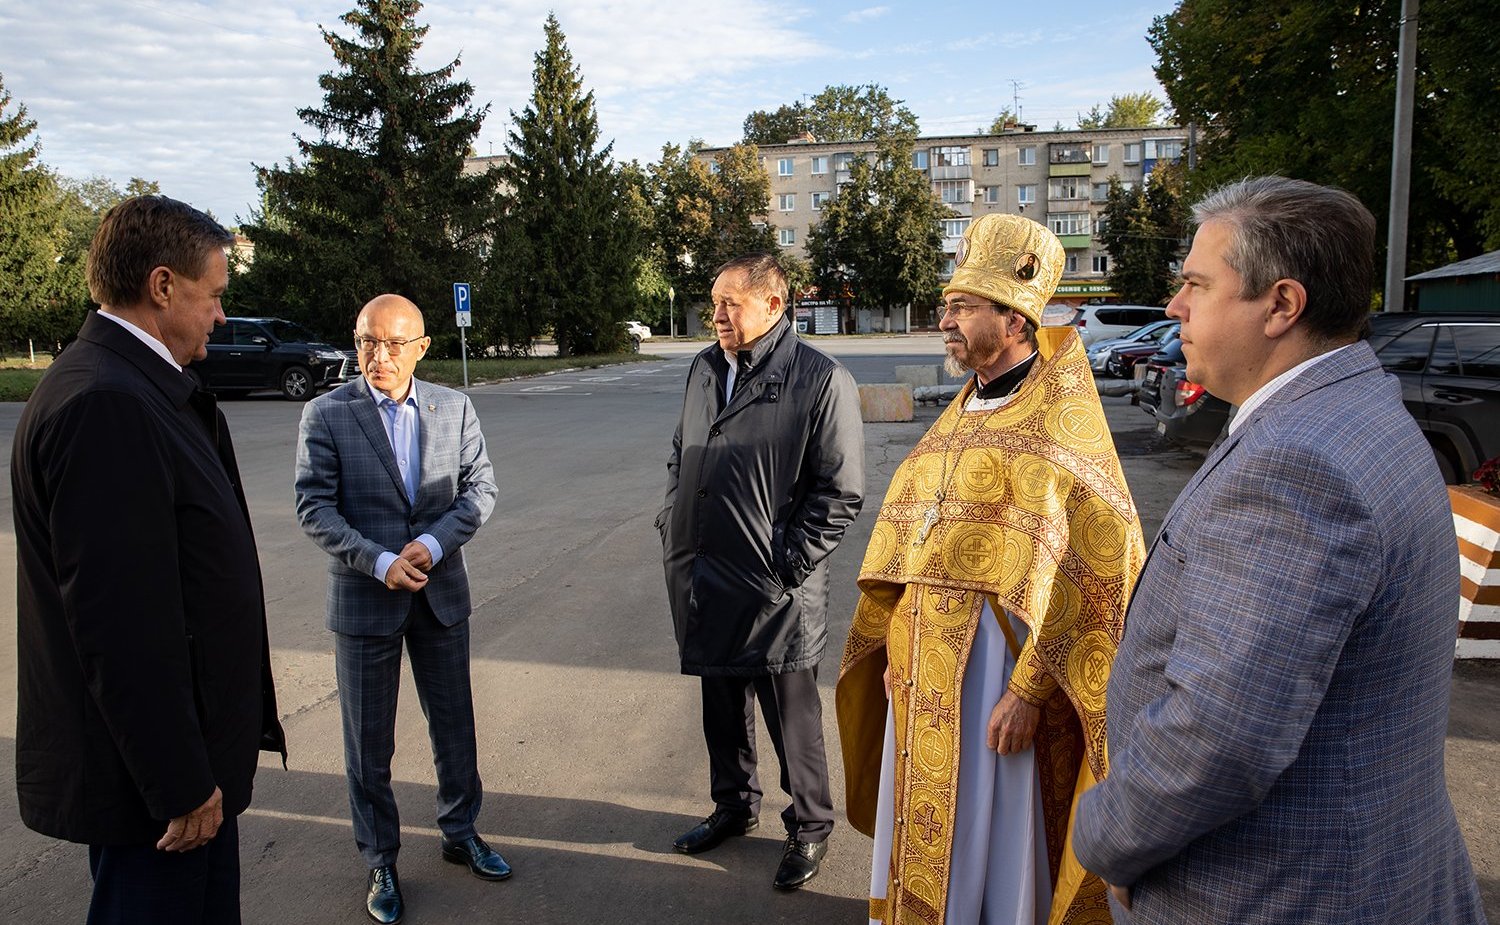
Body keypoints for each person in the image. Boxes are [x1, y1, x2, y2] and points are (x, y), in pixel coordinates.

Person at [1072, 177, 1488, 923]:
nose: (1175, 308)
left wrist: (1105, 838)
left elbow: (1218, 735)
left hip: (1273, 890)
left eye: (1197, 284)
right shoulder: (1353, 408)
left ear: (1281, 304)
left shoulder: (1297, 463)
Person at [835, 213, 1145, 925]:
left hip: (995, 687)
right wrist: (893, 643)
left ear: (1013, 319)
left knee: (990, 844)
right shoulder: (963, 411)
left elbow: (1099, 575)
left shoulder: (1062, 427)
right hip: (922, 676)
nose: (945, 318)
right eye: (947, 304)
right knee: (922, 834)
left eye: (962, 306)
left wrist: (1031, 691)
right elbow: (915, 548)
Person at [12, 195, 286, 924]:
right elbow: (122, 625)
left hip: (174, 774)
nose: (222, 316)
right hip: (158, 796)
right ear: (162, 286)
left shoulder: (134, 386)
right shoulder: (106, 403)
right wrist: (181, 782)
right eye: (215, 294)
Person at [656, 253, 865, 891]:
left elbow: (840, 493)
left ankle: (810, 826)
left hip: (776, 588)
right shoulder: (703, 368)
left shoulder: (819, 379)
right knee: (720, 700)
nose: (716, 315)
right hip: (704, 570)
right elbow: (680, 451)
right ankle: (732, 806)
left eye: (730, 303)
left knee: (789, 712)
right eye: (713, 302)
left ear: (774, 305)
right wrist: (672, 520)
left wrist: (785, 564)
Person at [294, 294, 501, 924]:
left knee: (454, 724)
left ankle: (460, 831)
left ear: (421, 348)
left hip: (440, 594)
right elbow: (314, 507)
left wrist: (433, 544)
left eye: (391, 344)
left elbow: (479, 489)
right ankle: (380, 857)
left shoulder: (453, 406)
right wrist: (381, 561)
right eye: (365, 342)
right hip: (365, 597)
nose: (376, 357)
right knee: (367, 742)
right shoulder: (326, 414)